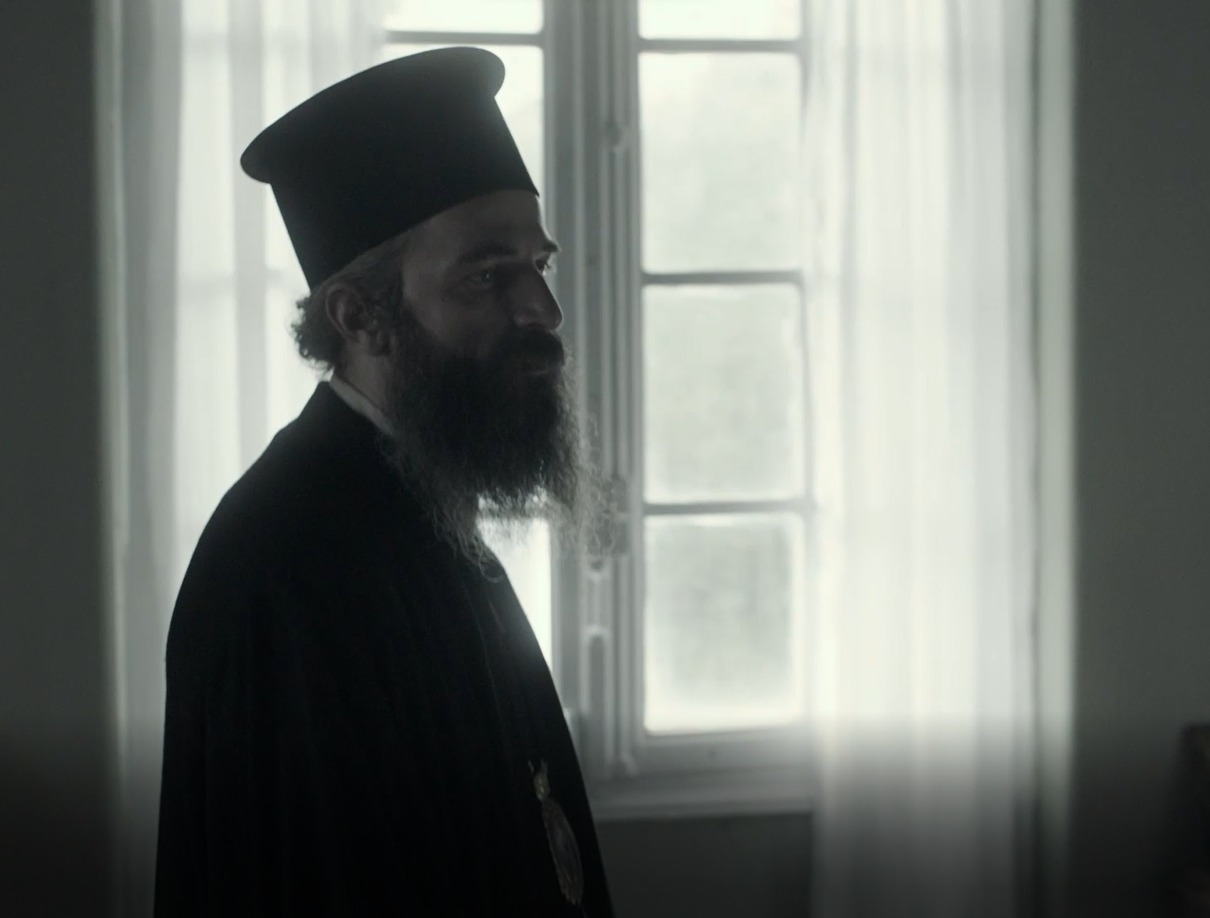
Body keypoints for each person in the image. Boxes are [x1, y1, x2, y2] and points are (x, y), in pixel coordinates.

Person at [154, 47, 613, 916]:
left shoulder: (423, 513)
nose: (543, 312)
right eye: (488, 275)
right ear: (360, 315)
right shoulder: (287, 568)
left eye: (539, 265)